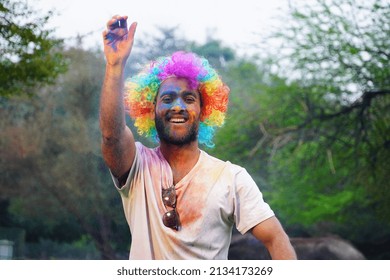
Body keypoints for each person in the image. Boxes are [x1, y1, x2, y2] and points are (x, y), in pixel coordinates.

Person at [100, 15, 297, 260]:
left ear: (203, 111)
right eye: (168, 99)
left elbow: (275, 238)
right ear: (151, 110)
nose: (178, 107)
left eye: (189, 98)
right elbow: (111, 136)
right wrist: (115, 66)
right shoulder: (136, 165)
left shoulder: (231, 178)